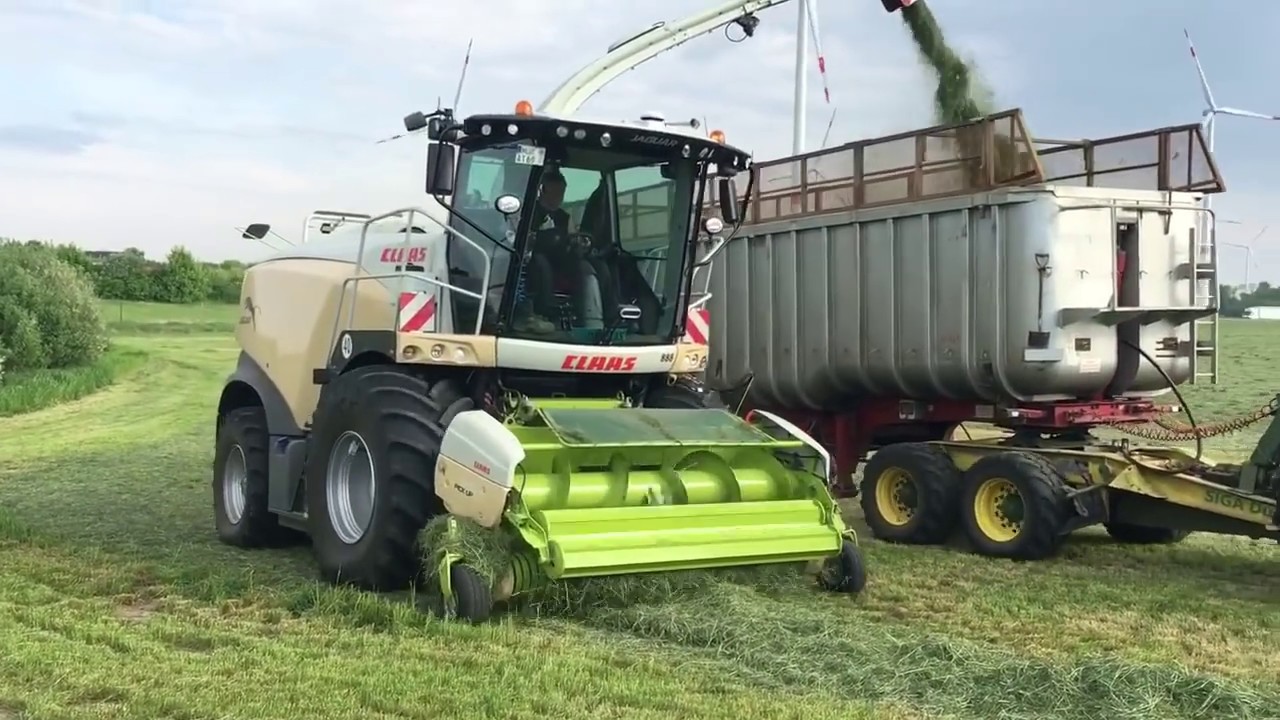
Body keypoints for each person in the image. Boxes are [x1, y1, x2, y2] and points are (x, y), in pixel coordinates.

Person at [513, 167, 608, 333]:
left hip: (563, 258)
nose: (559, 197)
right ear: (543, 190)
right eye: (556, 192)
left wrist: (580, 243)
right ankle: (544, 311)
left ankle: (603, 314)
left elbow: (572, 236)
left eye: (562, 192)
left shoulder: (564, 217)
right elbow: (523, 239)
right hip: (536, 258)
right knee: (541, 263)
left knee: (593, 266)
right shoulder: (528, 213)